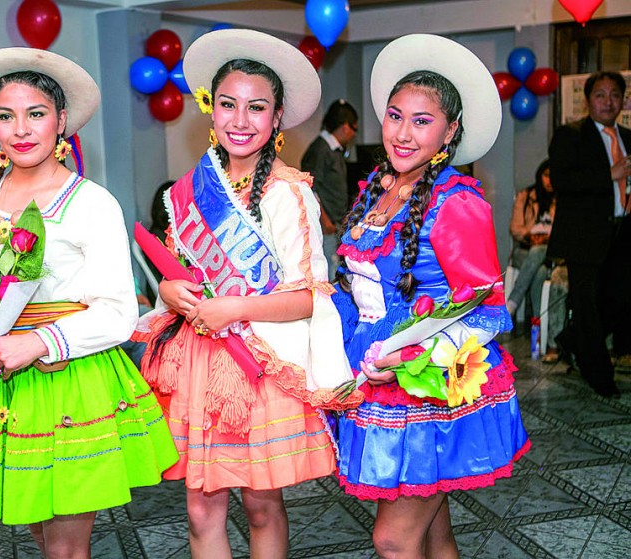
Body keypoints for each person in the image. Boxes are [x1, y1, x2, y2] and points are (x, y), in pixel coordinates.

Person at [0, 47, 178, 557]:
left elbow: (119, 311)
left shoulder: (91, 203)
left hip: (69, 380)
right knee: (39, 538)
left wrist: (37, 343)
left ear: (61, 121)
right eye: (6, 116)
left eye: (36, 114)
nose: (21, 129)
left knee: (66, 547)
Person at [134, 29, 354, 558]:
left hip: (258, 363)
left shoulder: (290, 193)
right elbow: (177, 271)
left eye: (256, 108)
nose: (239, 120)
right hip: (196, 361)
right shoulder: (189, 191)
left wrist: (235, 306)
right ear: (211, 111)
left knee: (261, 505)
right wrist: (168, 289)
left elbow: (306, 298)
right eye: (228, 105)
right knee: (199, 508)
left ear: (276, 118)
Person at [332, 34, 530, 558]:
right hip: (368, 370)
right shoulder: (377, 184)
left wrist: (407, 357)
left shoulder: (458, 202)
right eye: (395, 116)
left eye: (422, 121)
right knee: (432, 526)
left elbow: (487, 312)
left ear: (450, 130)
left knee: (393, 540)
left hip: (428, 382)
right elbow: (355, 286)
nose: (402, 132)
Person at [547, 71, 631, 396]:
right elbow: (563, 182)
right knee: (588, 306)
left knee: (621, 301)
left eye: (614, 95)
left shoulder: (627, 136)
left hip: (624, 232)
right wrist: (609, 174)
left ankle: (571, 339)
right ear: (588, 100)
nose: (607, 102)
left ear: (623, 100)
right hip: (585, 236)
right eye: (600, 95)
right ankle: (600, 376)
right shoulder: (571, 135)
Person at [301, 99, 359, 279]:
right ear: (345, 127)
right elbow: (309, 187)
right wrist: (325, 220)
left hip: (335, 223)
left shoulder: (335, 150)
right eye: (355, 129)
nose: (353, 135)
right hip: (325, 225)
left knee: (336, 266)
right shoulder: (320, 150)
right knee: (328, 269)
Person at [507, 159, 557, 358]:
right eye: (546, 175)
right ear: (539, 175)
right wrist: (531, 236)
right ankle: (538, 325)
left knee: (541, 262)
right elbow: (515, 229)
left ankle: (511, 303)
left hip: (546, 253)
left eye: (553, 176)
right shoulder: (526, 196)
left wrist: (545, 238)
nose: (549, 180)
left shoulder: (561, 200)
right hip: (524, 251)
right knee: (539, 267)